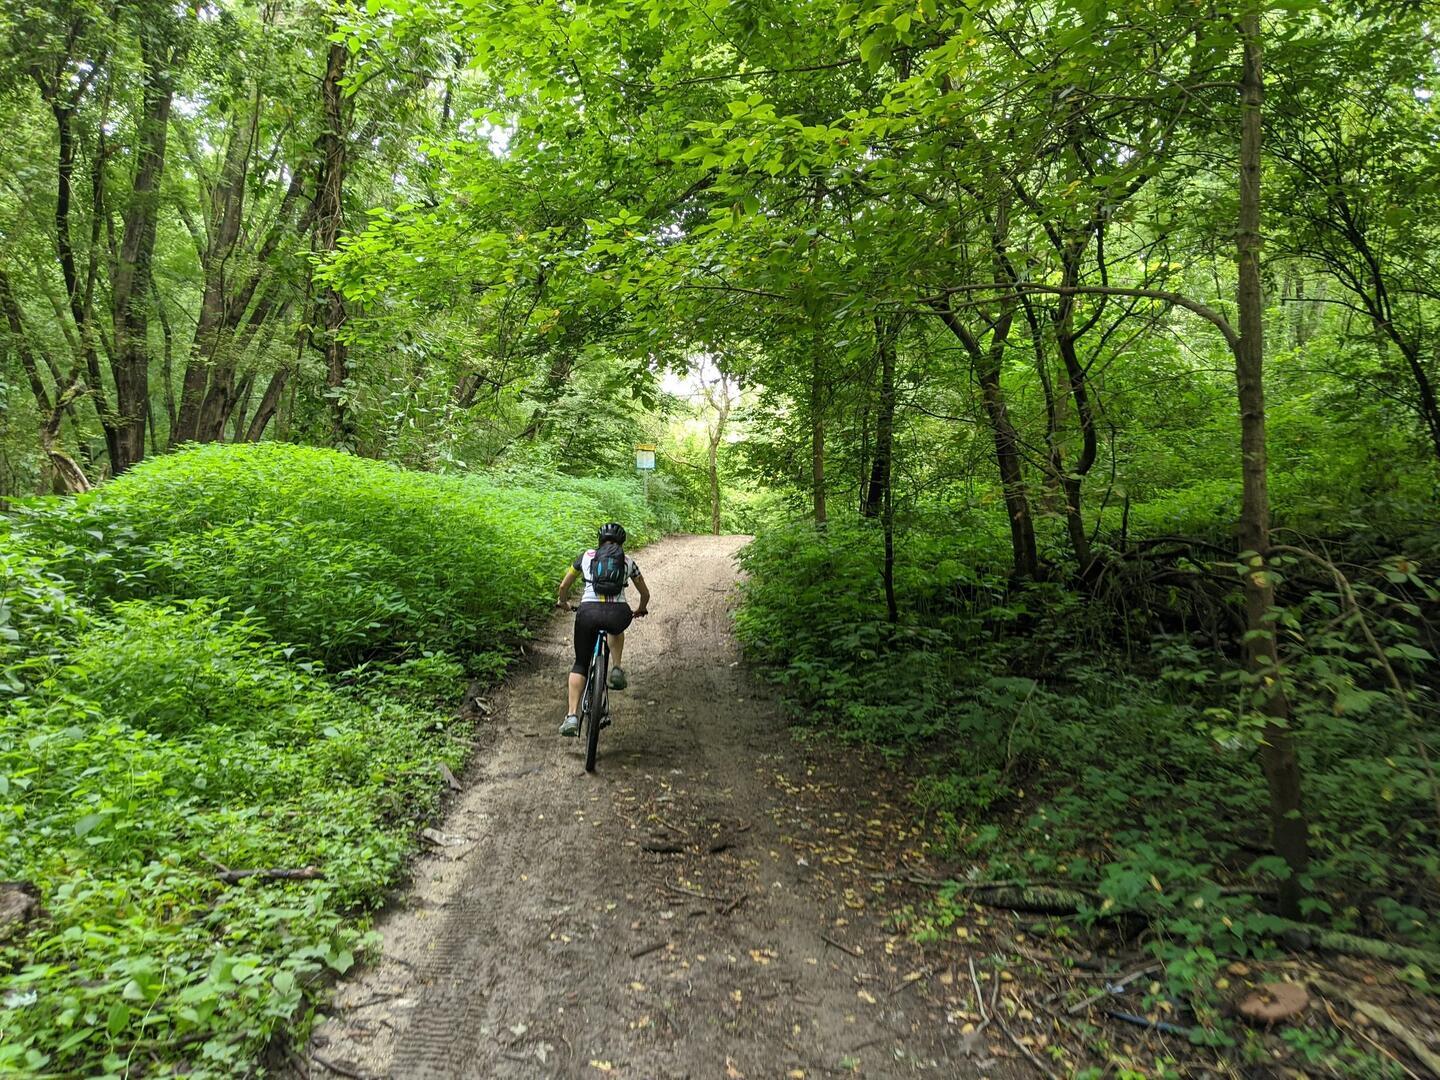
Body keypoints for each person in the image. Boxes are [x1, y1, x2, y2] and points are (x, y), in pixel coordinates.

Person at [554, 522, 649, 737]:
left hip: (587, 613)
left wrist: (563, 602)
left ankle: (571, 716)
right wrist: (640, 609)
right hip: (618, 613)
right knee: (616, 628)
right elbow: (645, 593)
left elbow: (563, 586)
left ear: (599, 540)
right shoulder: (628, 561)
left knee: (580, 663)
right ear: (621, 542)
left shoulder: (585, 556)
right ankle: (616, 667)